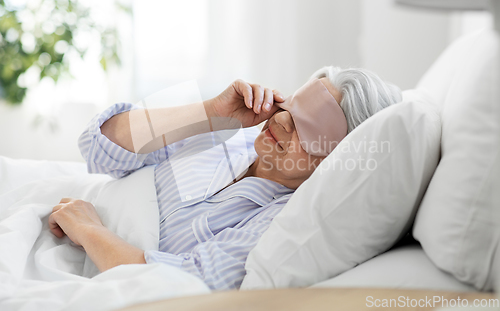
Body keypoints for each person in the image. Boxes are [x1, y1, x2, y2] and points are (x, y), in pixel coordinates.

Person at [48, 66, 402, 290]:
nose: (280, 122)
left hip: (75, 255)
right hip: (55, 213)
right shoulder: (233, 132)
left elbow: (182, 284)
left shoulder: (282, 221)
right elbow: (99, 145)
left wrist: (90, 229)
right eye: (289, 106)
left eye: (306, 128)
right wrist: (211, 114)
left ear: (337, 157)